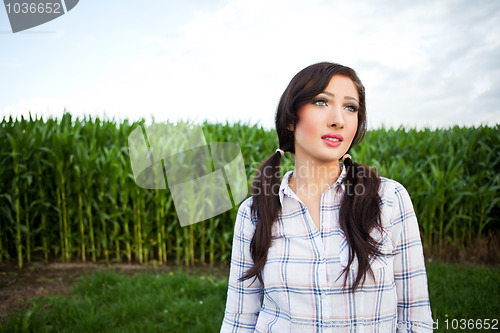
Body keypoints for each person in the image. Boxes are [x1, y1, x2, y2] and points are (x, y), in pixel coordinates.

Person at [220, 62, 433, 332]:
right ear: (289, 118)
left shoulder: (389, 199)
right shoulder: (255, 212)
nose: (338, 120)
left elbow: (415, 318)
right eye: (321, 102)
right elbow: (239, 321)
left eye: (350, 107)